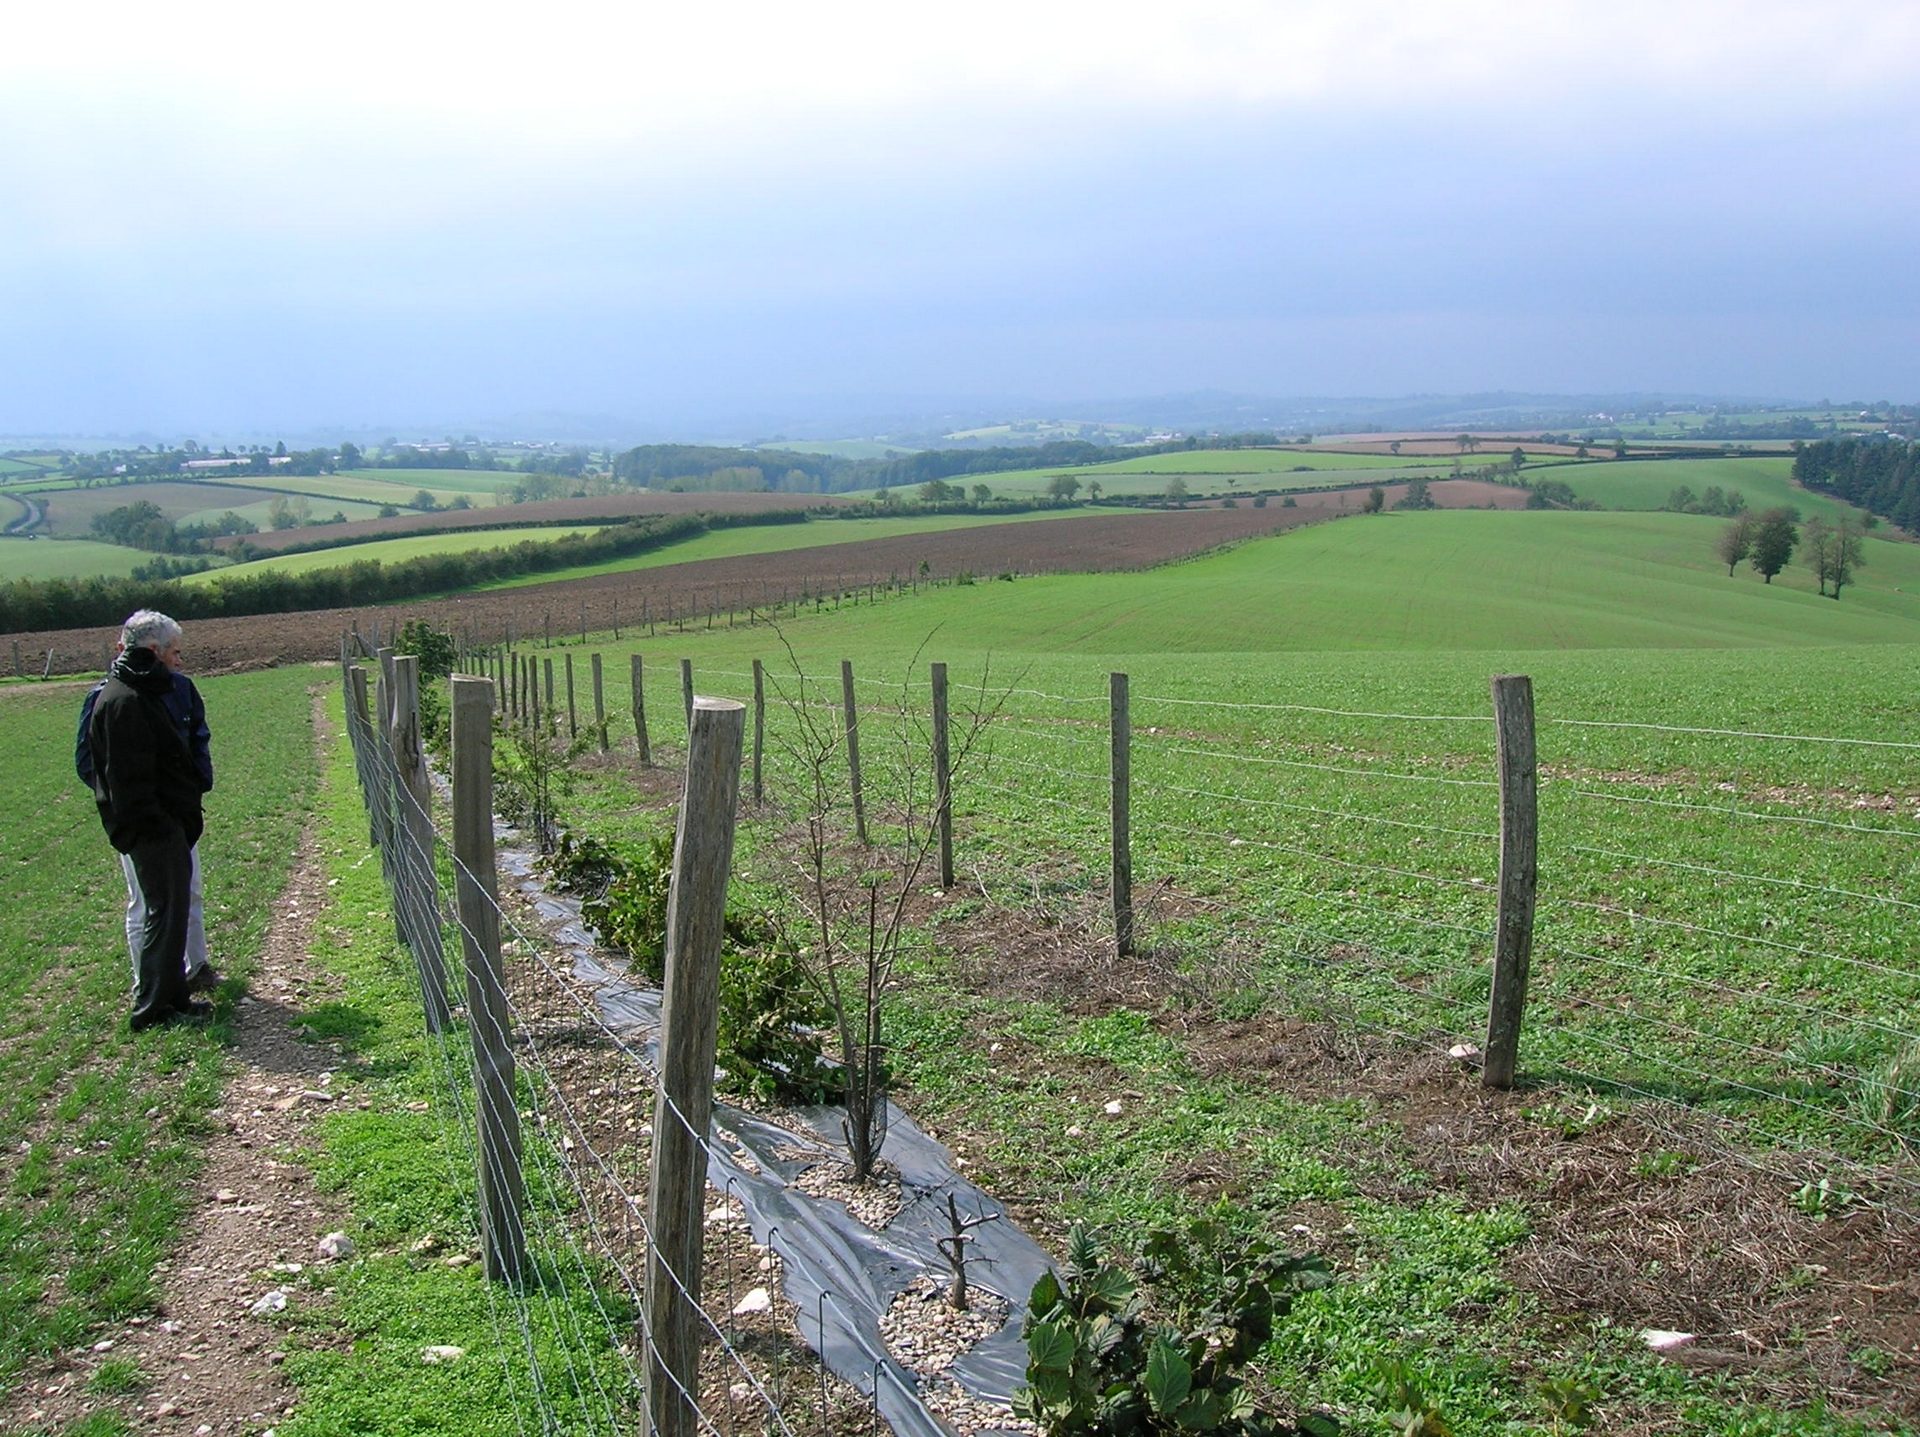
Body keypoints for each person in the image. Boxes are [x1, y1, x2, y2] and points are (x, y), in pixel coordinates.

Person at [83, 610, 213, 1030]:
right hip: (153, 831)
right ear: (153, 652)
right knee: (160, 912)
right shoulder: (123, 701)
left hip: (166, 826)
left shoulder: (138, 693)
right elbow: (128, 781)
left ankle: (175, 997)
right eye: (174, 652)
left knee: (172, 913)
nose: (179, 661)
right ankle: (153, 1009)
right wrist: (162, 824)